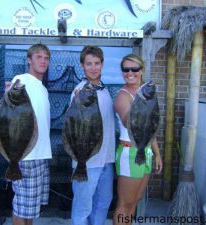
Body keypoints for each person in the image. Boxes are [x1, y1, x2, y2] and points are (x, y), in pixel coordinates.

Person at [113, 54, 163, 225]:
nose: (130, 73)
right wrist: (143, 103)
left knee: (135, 200)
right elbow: (130, 123)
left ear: (142, 70)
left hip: (146, 151)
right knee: (124, 204)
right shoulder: (122, 96)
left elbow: (150, 129)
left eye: (134, 69)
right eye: (125, 69)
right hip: (130, 152)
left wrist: (157, 153)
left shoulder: (145, 94)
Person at [70, 46, 116, 225]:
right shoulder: (79, 91)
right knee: (83, 207)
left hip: (107, 159)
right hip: (86, 162)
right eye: (89, 63)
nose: (93, 67)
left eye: (97, 63)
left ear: (102, 65)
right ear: (82, 65)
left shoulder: (104, 89)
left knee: (103, 203)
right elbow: (72, 128)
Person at [7, 44, 52, 225]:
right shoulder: (21, 80)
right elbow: (10, 108)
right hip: (25, 155)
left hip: (40, 155)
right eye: (39, 57)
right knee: (21, 207)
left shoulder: (42, 88)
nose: (43, 61)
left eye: (46, 58)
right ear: (29, 59)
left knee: (30, 209)